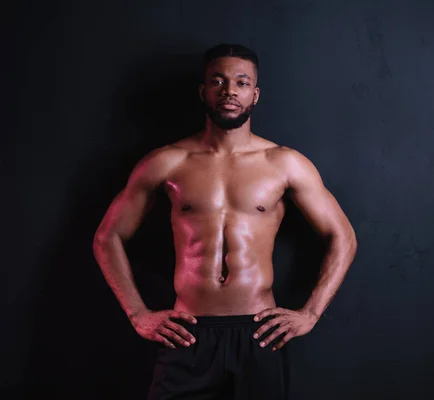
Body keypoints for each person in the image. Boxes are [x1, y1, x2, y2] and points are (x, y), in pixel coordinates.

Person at [92, 43, 357, 400]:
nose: (229, 91)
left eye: (241, 82)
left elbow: (342, 236)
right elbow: (107, 236)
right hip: (188, 332)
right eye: (218, 81)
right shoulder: (167, 162)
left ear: (255, 94)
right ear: (203, 92)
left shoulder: (284, 163)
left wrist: (310, 313)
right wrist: (138, 313)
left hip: (260, 333)